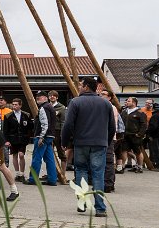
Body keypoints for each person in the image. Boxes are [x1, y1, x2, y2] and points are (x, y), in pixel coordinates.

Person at [60, 77, 116, 218]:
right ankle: (100, 208)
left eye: (80, 85)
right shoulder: (106, 103)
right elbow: (112, 127)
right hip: (100, 143)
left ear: (86, 87)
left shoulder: (75, 102)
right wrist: (106, 141)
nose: (79, 87)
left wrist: (64, 141)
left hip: (81, 143)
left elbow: (68, 124)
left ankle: (82, 203)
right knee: (98, 174)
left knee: (81, 171)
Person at [26, 91, 58, 185]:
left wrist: (41, 137)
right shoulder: (50, 107)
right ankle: (52, 180)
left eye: (39, 97)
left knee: (37, 158)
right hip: (50, 136)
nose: (37, 99)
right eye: (37, 97)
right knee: (50, 159)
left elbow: (45, 124)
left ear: (45, 98)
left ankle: (33, 179)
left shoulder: (43, 108)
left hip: (43, 136)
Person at [96, 86, 120, 192]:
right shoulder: (102, 106)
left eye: (103, 94)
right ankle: (105, 182)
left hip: (108, 137)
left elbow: (111, 125)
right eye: (100, 94)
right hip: (101, 137)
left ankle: (108, 184)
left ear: (109, 97)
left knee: (108, 161)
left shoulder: (111, 107)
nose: (101, 96)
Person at [5, 97, 32, 178]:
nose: (14, 106)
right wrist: (6, 140)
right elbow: (5, 129)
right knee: (15, 155)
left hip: (23, 138)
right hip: (13, 138)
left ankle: (22, 173)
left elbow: (30, 127)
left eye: (16, 105)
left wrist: (28, 137)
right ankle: (17, 173)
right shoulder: (8, 116)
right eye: (13, 105)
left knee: (21, 155)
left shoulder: (26, 115)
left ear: (20, 105)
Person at [122, 97, 147, 173]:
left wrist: (140, 134)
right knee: (124, 150)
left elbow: (144, 125)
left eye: (128, 101)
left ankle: (139, 167)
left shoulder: (140, 113)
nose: (127, 102)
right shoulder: (124, 112)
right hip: (125, 135)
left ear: (134, 103)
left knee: (138, 151)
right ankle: (122, 166)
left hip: (135, 136)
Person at [49, 90, 69, 171]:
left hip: (57, 131)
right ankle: (52, 173)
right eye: (50, 95)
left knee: (61, 153)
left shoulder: (62, 108)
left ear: (57, 97)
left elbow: (63, 122)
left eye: (54, 95)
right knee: (49, 154)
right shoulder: (46, 106)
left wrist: (62, 134)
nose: (52, 97)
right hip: (48, 131)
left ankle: (63, 174)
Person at [145, 102, 159, 172]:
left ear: (153, 109)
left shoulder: (154, 116)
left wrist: (149, 134)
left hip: (157, 135)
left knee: (157, 151)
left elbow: (153, 127)